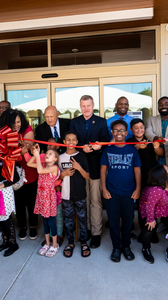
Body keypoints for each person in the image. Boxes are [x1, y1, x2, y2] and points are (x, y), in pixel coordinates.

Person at [70, 95, 110, 249]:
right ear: (80, 106)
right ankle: (85, 230)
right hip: (79, 167)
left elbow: (105, 140)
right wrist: (81, 146)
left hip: (95, 167)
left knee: (95, 202)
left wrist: (99, 146)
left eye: (88, 105)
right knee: (82, 202)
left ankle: (96, 233)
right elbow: (71, 141)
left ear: (93, 105)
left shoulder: (101, 121)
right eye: (83, 106)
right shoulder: (74, 122)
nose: (86, 109)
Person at [100, 120, 141, 263]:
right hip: (111, 192)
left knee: (128, 222)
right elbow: (103, 170)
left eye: (121, 130)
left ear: (126, 132)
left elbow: (137, 170)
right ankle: (116, 248)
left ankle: (126, 247)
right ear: (112, 132)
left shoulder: (132, 149)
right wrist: (104, 189)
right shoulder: (108, 149)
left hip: (129, 192)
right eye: (115, 130)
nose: (119, 133)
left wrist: (137, 188)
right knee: (113, 222)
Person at [0, 109, 39, 241]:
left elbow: (29, 145)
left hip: (29, 169)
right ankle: (22, 227)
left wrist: (17, 151)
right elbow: (3, 153)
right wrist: (15, 152)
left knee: (32, 201)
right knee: (19, 202)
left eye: (18, 121)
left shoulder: (27, 128)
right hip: (14, 173)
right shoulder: (3, 133)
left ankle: (33, 225)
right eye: (13, 122)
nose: (16, 125)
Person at [138, 165, 168, 264]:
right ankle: (145, 248)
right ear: (163, 176)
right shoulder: (155, 190)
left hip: (163, 206)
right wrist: (150, 220)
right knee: (149, 228)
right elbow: (150, 206)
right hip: (148, 208)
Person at [59, 131, 91, 258]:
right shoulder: (60, 157)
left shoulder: (82, 157)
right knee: (68, 220)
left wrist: (79, 168)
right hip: (66, 195)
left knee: (83, 219)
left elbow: (87, 176)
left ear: (77, 142)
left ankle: (83, 242)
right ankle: (70, 243)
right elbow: (56, 176)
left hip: (80, 194)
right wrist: (63, 174)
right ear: (64, 142)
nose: (71, 142)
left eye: (74, 140)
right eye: (68, 140)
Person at [28, 146, 61, 257]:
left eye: (50, 154)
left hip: (49, 197)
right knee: (45, 222)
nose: (47, 155)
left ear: (55, 158)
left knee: (51, 222)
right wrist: (34, 154)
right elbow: (29, 164)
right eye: (46, 153)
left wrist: (38, 156)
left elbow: (40, 171)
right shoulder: (41, 165)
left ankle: (55, 244)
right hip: (41, 196)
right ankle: (47, 243)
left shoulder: (54, 167)